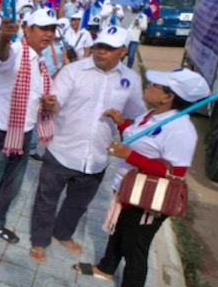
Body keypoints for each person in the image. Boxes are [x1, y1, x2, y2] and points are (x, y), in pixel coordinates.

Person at [77, 68, 209, 287]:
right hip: (130, 188)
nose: (149, 85)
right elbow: (139, 137)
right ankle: (106, 268)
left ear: (168, 97)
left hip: (149, 197)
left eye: (155, 85)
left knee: (135, 244)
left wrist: (132, 156)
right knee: (119, 230)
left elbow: (175, 174)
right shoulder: (153, 116)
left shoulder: (181, 130)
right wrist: (122, 123)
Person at [28, 26, 146, 263]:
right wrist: (50, 104)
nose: (101, 52)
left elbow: (135, 118)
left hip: (97, 157)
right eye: (99, 46)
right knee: (46, 199)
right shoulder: (73, 71)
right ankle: (40, 241)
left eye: (109, 48)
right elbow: (56, 103)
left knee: (78, 203)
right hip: (62, 149)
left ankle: (63, 233)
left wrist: (125, 129)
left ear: (123, 51)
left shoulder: (131, 81)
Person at [0, 8, 58, 262]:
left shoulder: (41, 61)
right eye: (43, 29)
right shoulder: (16, 51)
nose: (49, 34)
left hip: (24, 134)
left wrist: (48, 104)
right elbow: (0, 56)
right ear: (27, 30)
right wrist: (4, 38)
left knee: (11, 187)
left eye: (52, 29)